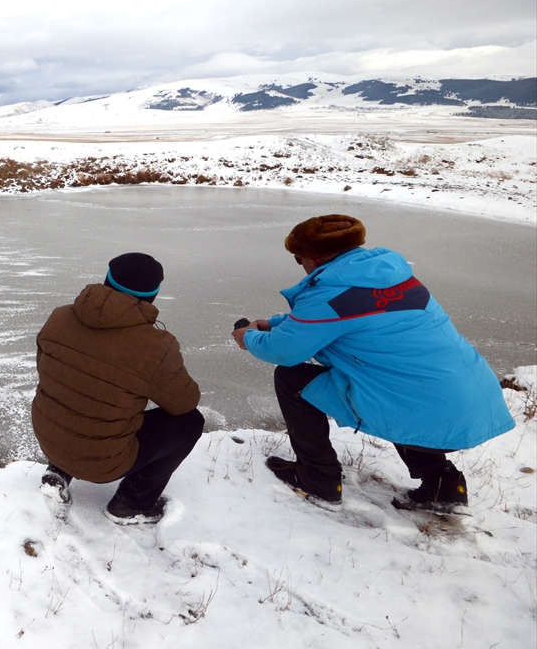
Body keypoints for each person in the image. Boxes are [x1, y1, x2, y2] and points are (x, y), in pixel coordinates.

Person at [232, 214, 514, 511]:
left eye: (297, 258)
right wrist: (276, 323)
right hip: (473, 403)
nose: (300, 265)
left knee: (291, 379)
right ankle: (443, 486)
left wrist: (247, 337)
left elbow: (283, 351)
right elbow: (348, 314)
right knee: (397, 384)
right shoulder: (390, 274)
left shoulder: (329, 294)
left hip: (429, 411)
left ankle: (319, 479)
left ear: (313, 257)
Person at [31, 252, 204, 525]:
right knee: (191, 423)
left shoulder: (60, 317)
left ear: (106, 281)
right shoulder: (156, 346)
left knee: (74, 387)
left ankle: (59, 470)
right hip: (102, 463)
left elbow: (45, 369)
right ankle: (131, 503)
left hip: (48, 437)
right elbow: (184, 402)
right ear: (152, 296)